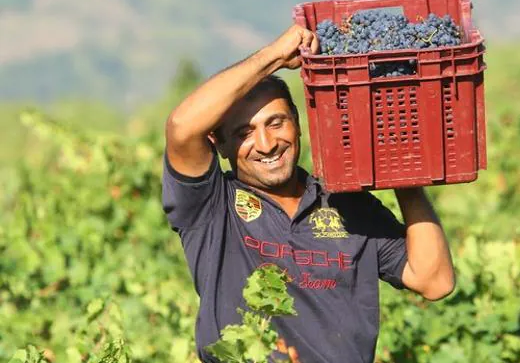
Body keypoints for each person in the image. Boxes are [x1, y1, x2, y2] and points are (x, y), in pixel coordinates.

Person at [161, 24, 455, 363]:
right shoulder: (212, 207)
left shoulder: (346, 203)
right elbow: (182, 128)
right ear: (221, 144)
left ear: (298, 124)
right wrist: (273, 56)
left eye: (276, 123)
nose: (267, 144)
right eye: (245, 132)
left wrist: (405, 176)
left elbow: (435, 281)